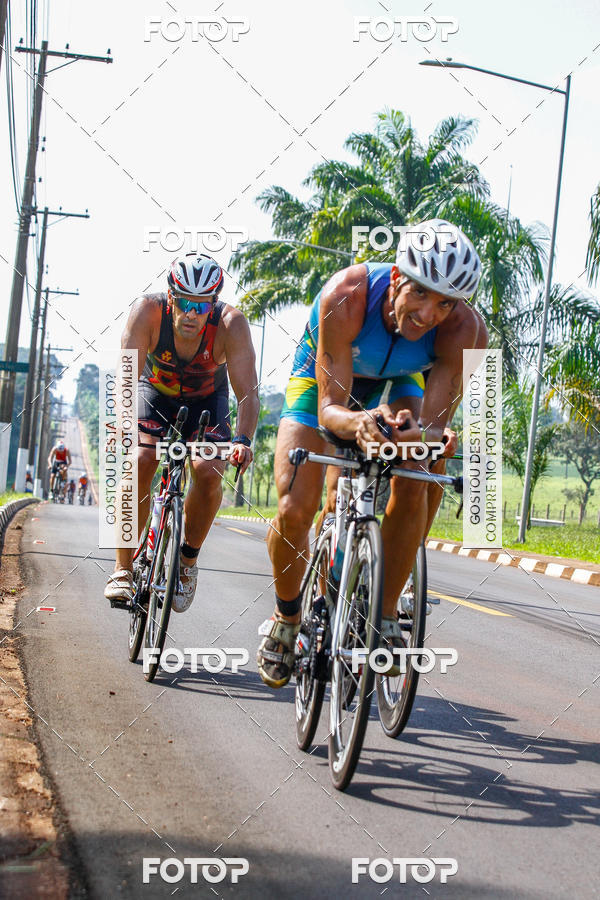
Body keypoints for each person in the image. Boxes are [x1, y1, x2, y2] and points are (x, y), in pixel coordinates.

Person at [257, 219, 488, 687]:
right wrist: (361, 422)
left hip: (403, 378)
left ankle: (383, 619)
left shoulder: (467, 331)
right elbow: (329, 411)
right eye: (420, 293)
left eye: (445, 303)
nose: (428, 314)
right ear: (397, 278)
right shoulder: (346, 296)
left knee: (420, 469)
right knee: (295, 508)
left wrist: (426, 436)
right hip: (324, 381)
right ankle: (286, 618)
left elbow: (434, 426)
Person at [104, 252, 259, 611]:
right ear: (171, 297)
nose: (191, 314)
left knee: (209, 470)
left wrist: (243, 440)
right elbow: (125, 378)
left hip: (207, 401)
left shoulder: (232, 324)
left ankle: (187, 562)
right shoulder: (147, 311)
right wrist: (122, 423)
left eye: (201, 306)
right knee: (140, 460)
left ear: (213, 304)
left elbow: (248, 394)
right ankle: (122, 569)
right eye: (185, 303)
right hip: (154, 394)